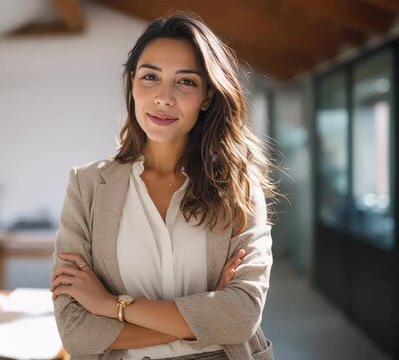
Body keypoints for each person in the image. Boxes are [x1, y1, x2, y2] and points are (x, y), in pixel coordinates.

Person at [50, 12, 276, 360]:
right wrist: (202, 318)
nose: (163, 97)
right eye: (150, 77)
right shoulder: (87, 186)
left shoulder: (238, 187)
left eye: (185, 81)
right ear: (132, 84)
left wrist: (111, 305)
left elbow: (240, 317)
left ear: (206, 96)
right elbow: (77, 333)